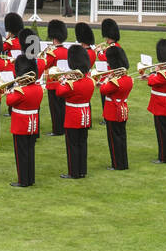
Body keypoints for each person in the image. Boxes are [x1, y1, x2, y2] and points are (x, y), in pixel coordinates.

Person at [52, 43, 95, 180]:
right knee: (82, 143)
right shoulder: (90, 81)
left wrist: (62, 80)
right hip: (85, 115)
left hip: (73, 116)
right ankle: (82, 170)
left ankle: (74, 172)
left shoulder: (71, 83)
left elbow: (59, 92)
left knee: (73, 145)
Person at [140, 37, 166, 164]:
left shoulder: (163, 74)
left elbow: (152, 82)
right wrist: (154, 73)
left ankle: (163, 157)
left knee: (162, 133)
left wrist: (154, 73)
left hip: (161, 105)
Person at [6, 55, 43, 187]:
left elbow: (9, 101)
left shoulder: (20, 91)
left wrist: (9, 91)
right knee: (30, 151)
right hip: (32, 123)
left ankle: (23, 180)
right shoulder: (38, 88)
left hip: (20, 124)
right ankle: (30, 178)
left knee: (21, 153)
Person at [97, 45, 133, 170]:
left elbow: (103, 90)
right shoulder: (128, 79)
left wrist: (107, 79)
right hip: (123, 110)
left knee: (114, 139)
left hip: (112, 111)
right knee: (122, 137)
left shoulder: (114, 81)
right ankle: (123, 163)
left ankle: (117, 164)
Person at [42, 19, 69, 136]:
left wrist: (44, 55)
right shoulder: (67, 51)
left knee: (55, 109)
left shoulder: (52, 52)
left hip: (53, 84)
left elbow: (45, 65)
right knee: (63, 106)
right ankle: (64, 127)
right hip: (64, 83)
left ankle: (57, 130)